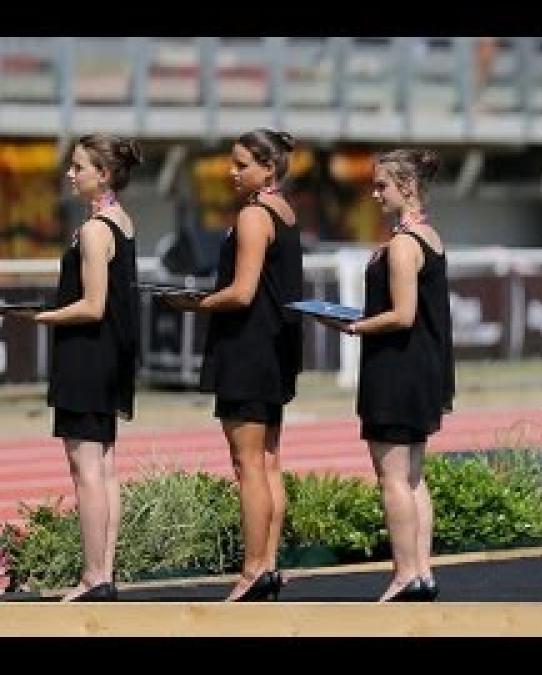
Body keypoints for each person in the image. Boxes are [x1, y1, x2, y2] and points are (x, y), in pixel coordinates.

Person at [168, 128, 303, 602]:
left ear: (268, 168)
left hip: (249, 350)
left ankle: (252, 570)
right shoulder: (285, 212)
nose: (231, 171)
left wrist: (195, 303)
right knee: (268, 462)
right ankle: (268, 564)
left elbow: (242, 292)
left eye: (241, 164)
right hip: (275, 349)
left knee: (248, 465)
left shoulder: (253, 215)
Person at [319, 149, 454, 602]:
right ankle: (422, 572)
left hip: (398, 369)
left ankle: (404, 575)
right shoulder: (429, 236)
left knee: (393, 477)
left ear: (408, 187)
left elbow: (400, 315)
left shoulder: (402, 245)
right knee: (414, 476)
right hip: (421, 368)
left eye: (382, 186)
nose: (375, 194)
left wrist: (353, 325)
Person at [31, 134, 142, 602]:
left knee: (86, 469)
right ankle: (103, 572)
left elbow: (93, 305)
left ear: (105, 174)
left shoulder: (97, 229)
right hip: (107, 358)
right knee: (104, 468)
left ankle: (95, 576)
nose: (70, 174)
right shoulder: (120, 221)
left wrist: (42, 315)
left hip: (88, 357)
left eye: (78, 167)